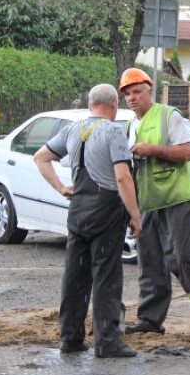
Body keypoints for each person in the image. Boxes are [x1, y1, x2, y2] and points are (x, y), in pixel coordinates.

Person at [34, 83, 142, 359]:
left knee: (75, 275)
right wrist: (134, 214)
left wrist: (61, 187)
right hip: (106, 210)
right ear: (114, 105)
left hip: (78, 210)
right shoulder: (113, 132)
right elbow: (122, 177)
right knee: (106, 276)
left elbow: (41, 157)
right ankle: (108, 342)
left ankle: (70, 338)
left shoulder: (73, 129)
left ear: (90, 104)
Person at [117, 68, 190, 340]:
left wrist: (154, 150)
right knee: (150, 263)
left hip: (178, 200)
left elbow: (187, 152)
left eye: (136, 92)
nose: (132, 98)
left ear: (149, 90)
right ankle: (150, 319)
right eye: (127, 94)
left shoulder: (169, 116)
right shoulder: (131, 125)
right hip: (149, 204)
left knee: (186, 259)